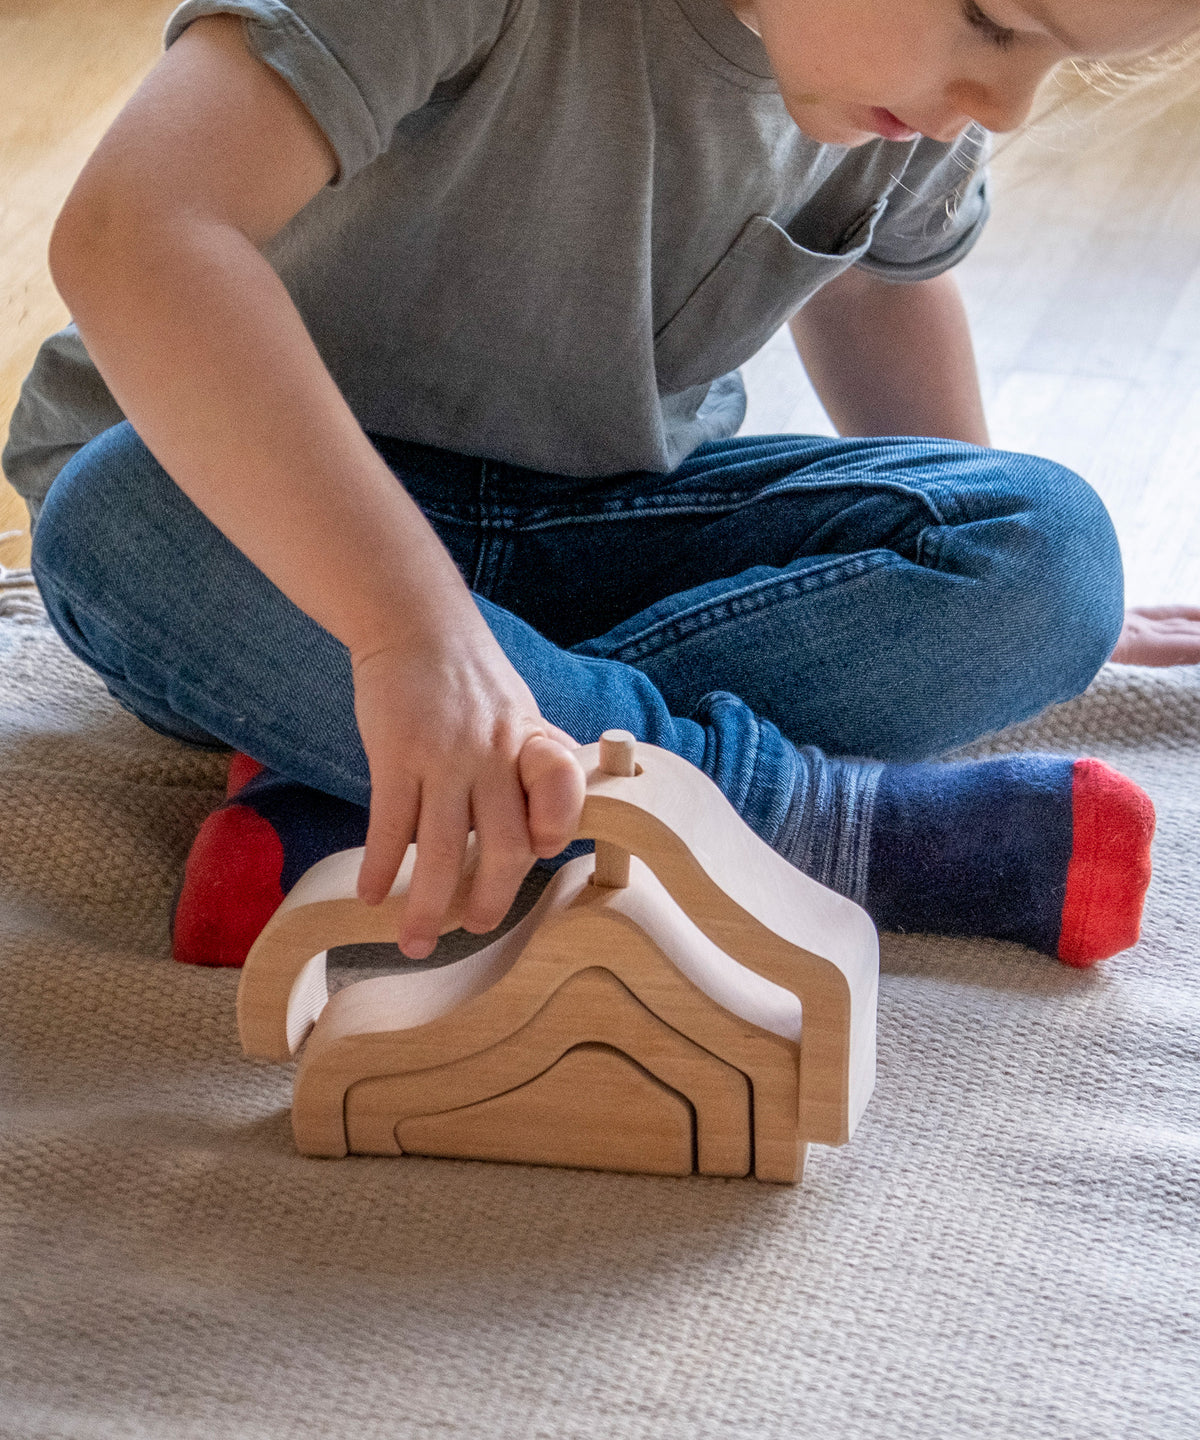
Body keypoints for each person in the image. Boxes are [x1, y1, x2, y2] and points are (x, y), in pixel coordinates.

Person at [6, 0, 1196, 970]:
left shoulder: (906, 89)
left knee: (1052, 548)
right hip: (272, 541)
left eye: (1062, 62)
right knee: (107, 512)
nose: (1008, 104)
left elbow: (881, 289)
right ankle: (804, 825)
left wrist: (1023, 576)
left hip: (592, 519)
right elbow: (132, 229)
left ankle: (388, 801)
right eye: (992, 20)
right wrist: (405, 633)